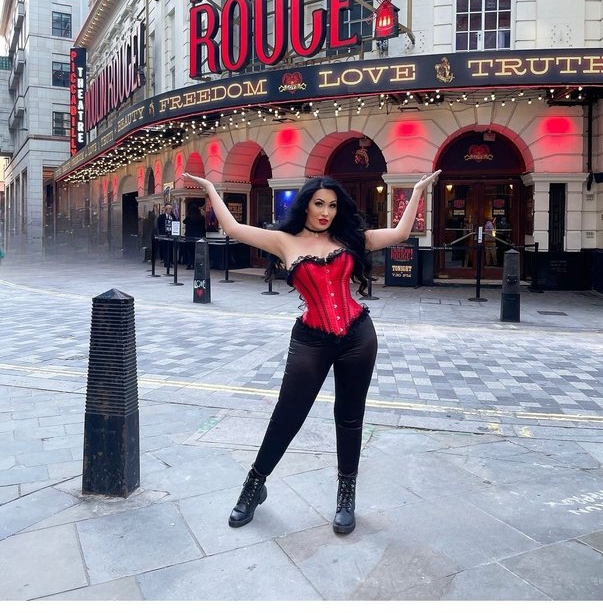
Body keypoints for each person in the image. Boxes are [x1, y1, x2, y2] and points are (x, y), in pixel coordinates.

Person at [182, 168, 441, 536]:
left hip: (358, 336)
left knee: (349, 417)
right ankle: (254, 485)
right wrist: (211, 189)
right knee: (288, 414)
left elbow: (400, 233)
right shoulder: (284, 242)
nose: (326, 212)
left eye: (332, 206)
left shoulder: (350, 239)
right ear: (306, 205)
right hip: (311, 339)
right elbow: (234, 229)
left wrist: (416, 191)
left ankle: (346, 496)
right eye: (319, 204)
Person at [183, 203, 206, 268]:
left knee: (189, 251)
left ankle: (189, 263)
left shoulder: (189, 217)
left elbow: (184, 221)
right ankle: (196, 264)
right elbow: (203, 228)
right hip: (198, 236)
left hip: (189, 236)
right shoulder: (201, 218)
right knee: (197, 251)